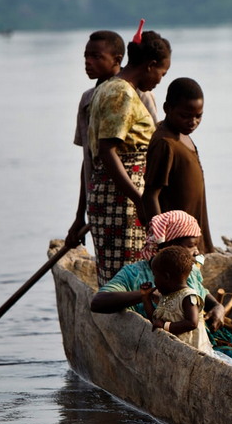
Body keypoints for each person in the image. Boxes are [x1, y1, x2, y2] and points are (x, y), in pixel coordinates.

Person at [91, 211, 232, 367]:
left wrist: (219, 308)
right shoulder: (134, 274)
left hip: (198, 341)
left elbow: (202, 295)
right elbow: (98, 303)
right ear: (169, 246)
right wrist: (144, 295)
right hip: (156, 347)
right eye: (190, 245)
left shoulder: (189, 270)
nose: (196, 251)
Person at [87, 29, 172, 285]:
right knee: (127, 275)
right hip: (120, 200)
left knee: (131, 270)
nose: (159, 80)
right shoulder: (120, 92)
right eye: (162, 73)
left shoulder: (114, 88)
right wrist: (140, 200)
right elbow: (108, 151)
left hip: (119, 196)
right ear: (150, 65)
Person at [66, 30, 158, 248]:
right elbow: (89, 159)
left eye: (96, 57)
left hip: (133, 200)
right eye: (86, 56)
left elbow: (155, 148)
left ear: (117, 60)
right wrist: (80, 215)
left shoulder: (140, 95)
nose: (88, 62)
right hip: (101, 201)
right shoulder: (88, 99)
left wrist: (144, 201)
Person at [143, 77, 213, 253]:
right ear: (167, 109)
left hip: (194, 239)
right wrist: (162, 243)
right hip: (177, 243)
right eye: (185, 116)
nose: (193, 122)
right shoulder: (165, 143)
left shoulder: (183, 135)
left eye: (199, 116)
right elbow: (151, 195)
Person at [145, 245, 212, 354]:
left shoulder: (188, 297)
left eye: (155, 276)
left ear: (166, 277)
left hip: (193, 354)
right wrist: (145, 297)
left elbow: (192, 323)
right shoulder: (166, 296)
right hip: (173, 352)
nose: (154, 280)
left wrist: (165, 326)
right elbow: (155, 320)